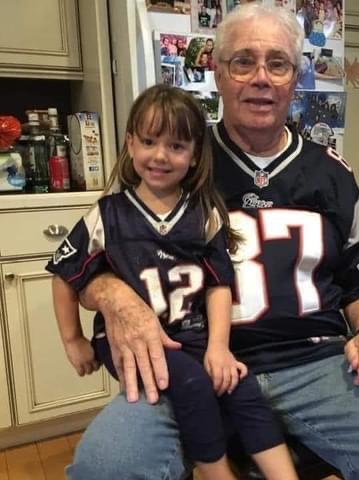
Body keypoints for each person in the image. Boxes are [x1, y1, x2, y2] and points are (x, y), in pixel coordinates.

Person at [66, 4, 359, 480]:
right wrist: (115, 296)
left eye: (278, 63)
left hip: (315, 361)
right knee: (103, 468)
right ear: (217, 73)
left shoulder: (331, 173)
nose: (261, 78)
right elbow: (92, 258)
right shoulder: (175, 161)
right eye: (243, 62)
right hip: (189, 361)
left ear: (297, 77)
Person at [48, 85, 298, 480]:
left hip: (191, 334)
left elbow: (218, 285)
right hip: (129, 342)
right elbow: (64, 274)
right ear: (130, 143)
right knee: (193, 383)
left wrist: (219, 347)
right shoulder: (107, 215)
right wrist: (72, 339)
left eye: (176, 146)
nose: (160, 156)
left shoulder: (205, 213)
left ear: (195, 153)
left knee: (240, 385)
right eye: (149, 141)